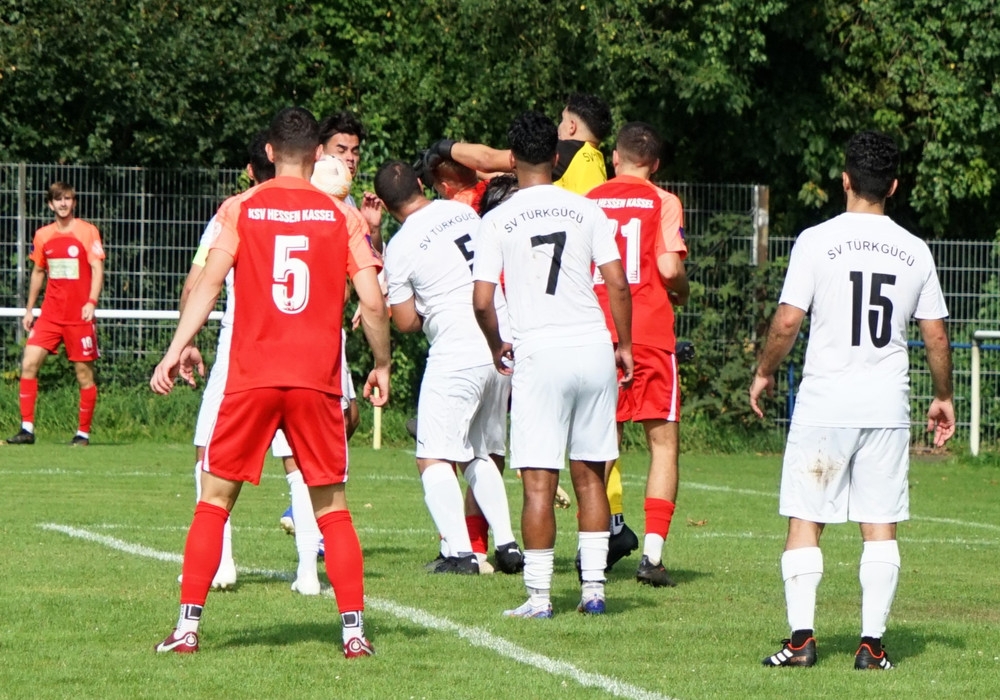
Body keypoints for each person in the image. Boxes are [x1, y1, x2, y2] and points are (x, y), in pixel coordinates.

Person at [150, 106, 391, 658]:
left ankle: (187, 629)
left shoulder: (239, 208)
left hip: (251, 377)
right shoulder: (341, 216)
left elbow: (208, 285)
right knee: (333, 508)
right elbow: (374, 302)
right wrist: (381, 363)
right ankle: (354, 634)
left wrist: (177, 347)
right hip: (316, 381)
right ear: (318, 155)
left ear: (269, 152)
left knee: (214, 501)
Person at [750, 130, 955, 670]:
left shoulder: (815, 241)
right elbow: (936, 335)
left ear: (845, 180)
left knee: (804, 519)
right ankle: (871, 645)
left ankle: (801, 642)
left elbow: (788, 321)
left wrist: (765, 372)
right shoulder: (915, 250)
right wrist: (943, 396)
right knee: (879, 524)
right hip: (885, 408)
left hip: (825, 403)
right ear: (893, 186)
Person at [472, 110, 633, 618]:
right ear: (557, 156)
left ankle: (540, 596)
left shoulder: (497, 218)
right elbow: (617, 282)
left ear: (512, 158)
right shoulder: (587, 210)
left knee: (539, 481)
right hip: (593, 346)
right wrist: (625, 345)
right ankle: (594, 591)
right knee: (591, 475)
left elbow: (481, 300)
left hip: (540, 352)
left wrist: (496, 344)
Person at [375, 160, 524, 576]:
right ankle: (508, 545)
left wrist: (429, 307)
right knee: (480, 450)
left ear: (386, 206)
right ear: (421, 185)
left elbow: (405, 322)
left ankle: (460, 554)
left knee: (433, 456)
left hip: (457, 347)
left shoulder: (401, 246)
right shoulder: (462, 212)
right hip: (500, 339)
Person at [588, 122, 689, 588]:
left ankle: (591, 550)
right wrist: (684, 288)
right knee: (662, 444)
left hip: (597, 331)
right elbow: (668, 267)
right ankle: (651, 556)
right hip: (648, 330)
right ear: (656, 165)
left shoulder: (589, 200)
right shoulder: (663, 201)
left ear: (615, 157)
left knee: (599, 445)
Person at [7, 182, 104, 446]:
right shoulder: (43, 236)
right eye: (58, 199)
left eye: (68, 199)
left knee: (84, 374)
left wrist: (91, 301)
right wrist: (30, 310)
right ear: (51, 204)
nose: (63, 203)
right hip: (50, 315)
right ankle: (27, 429)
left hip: (79, 316)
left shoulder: (87, 231)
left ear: (74, 202)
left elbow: (97, 268)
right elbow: (38, 272)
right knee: (29, 363)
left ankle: (83, 433)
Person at [427, 93, 611, 195]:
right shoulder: (594, 160)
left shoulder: (567, 150)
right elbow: (515, 173)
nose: (558, 127)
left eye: (561, 120)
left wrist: (442, 148)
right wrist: (467, 171)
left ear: (572, 126)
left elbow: (488, 159)